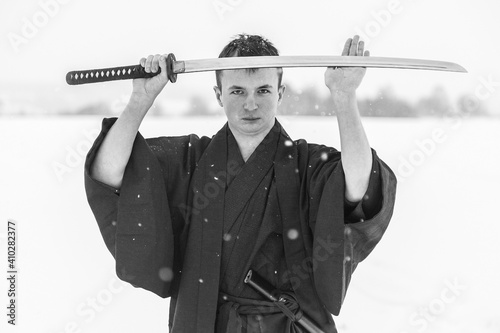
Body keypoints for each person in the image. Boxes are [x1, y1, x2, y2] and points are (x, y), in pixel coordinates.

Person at [84, 33, 397, 333]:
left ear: (280, 94)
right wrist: (141, 100)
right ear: (219, 95)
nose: (251, 104)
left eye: (262, 90)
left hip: (287, 325)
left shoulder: (307, 164)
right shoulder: (191, 160)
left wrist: (344, 97)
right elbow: (110, 173)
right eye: (237, 91)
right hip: (206, 322)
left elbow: (359, 187)